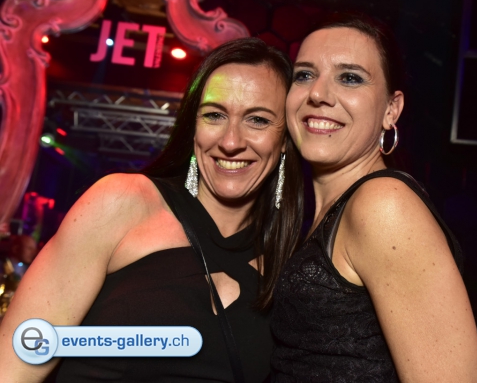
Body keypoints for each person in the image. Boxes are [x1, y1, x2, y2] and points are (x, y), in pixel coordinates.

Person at [0, 37, 303, 383]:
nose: (231, 141)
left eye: (258, 120)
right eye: (214, 115)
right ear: (193, 127)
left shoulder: (289, 264)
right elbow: (14, 365)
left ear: (285, 140)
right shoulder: (122, 203)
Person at [270, 13, 477, 382]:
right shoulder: (328, 210)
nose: (317, 94)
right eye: (304, 75)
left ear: (391, 109)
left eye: (350, 78)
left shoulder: (384, 205)